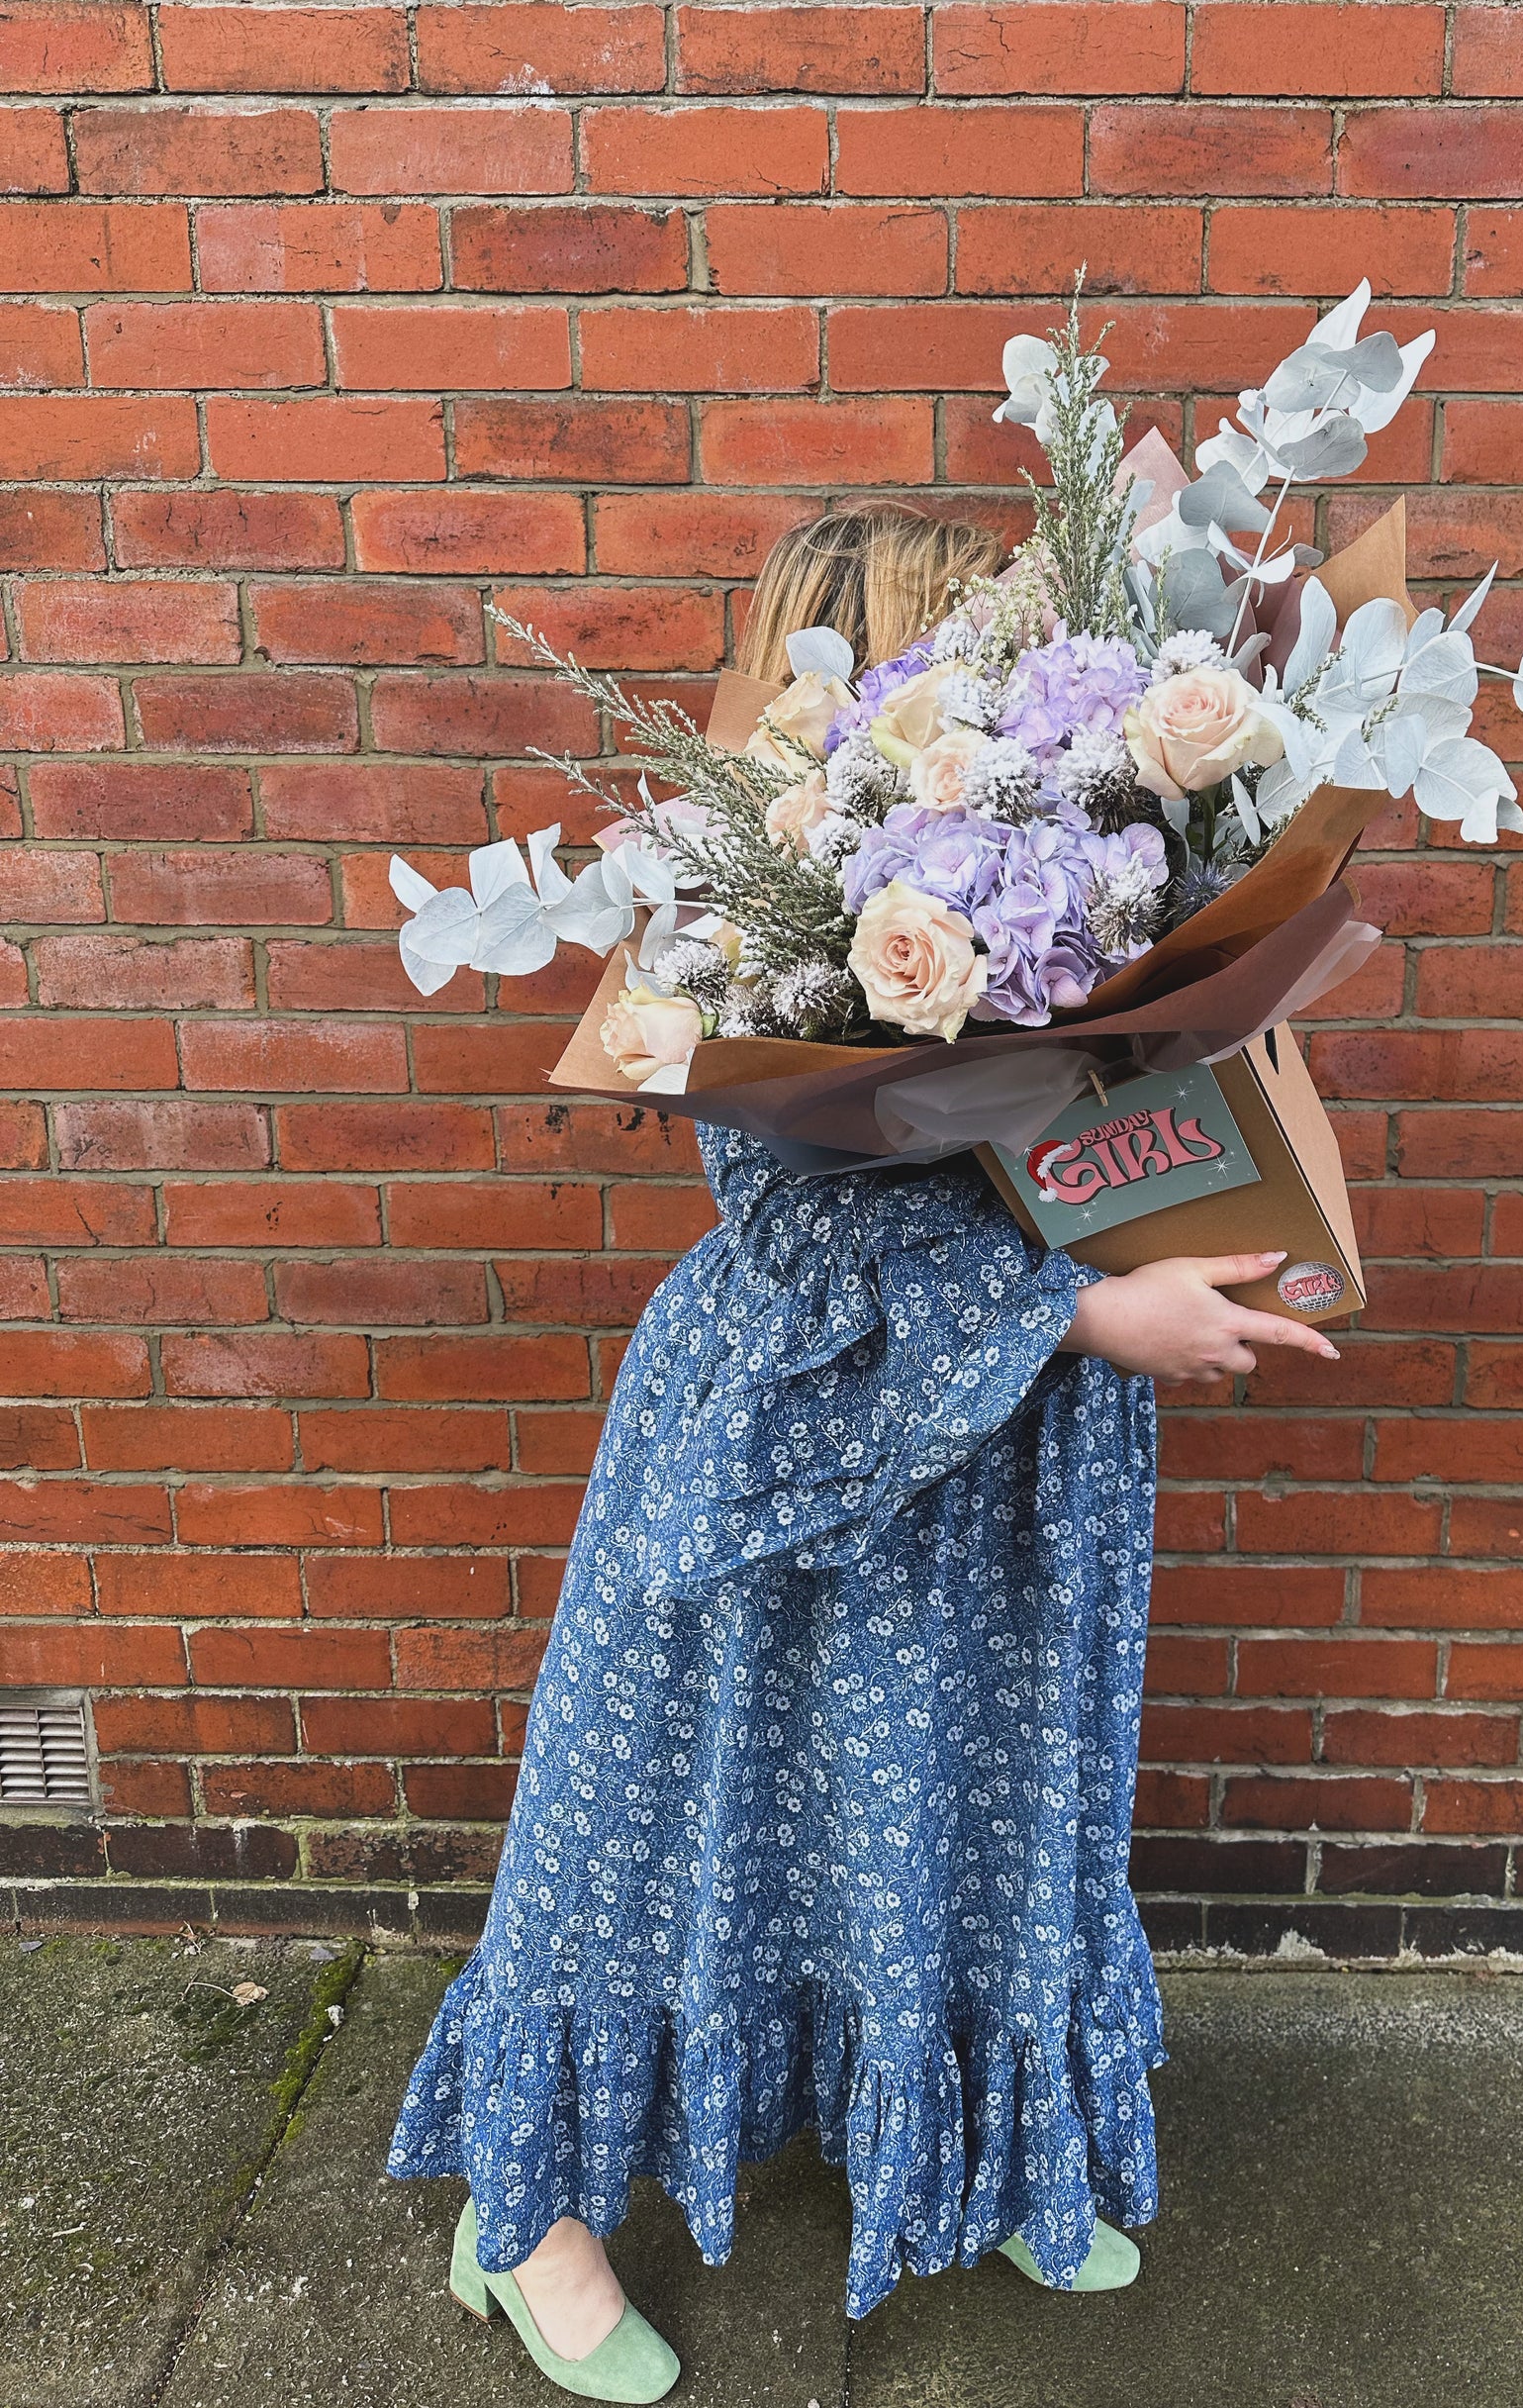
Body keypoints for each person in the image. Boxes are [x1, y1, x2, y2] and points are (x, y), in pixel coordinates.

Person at [386, 500, 1341, 2401]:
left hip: (1010, 1464)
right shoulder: (734, 877)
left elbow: (1095, 1098)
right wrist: (1090, 1311)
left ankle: (985, 2139)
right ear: (853, 656)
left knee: (979, 1802)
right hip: (788, 1427)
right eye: (963, 633)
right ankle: (531, 2219)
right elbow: (791, 1210)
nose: (1000, 653)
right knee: (656, 1817)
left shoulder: (1074, 834)